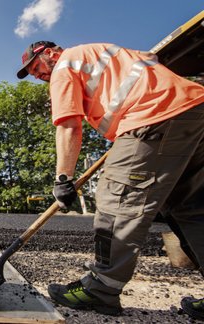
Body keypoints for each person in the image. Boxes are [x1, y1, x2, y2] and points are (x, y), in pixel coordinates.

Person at [17, 41, 204, 318]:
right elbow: (149, 63)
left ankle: (101, 289)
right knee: (193, 210)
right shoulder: (103, 51)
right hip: (194, 109)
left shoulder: (64, 66)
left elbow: (69, 126)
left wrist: (63, 178)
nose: (36, 74)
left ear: (49, 53)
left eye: (35, 67)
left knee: (116, 200)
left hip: (152, 119)